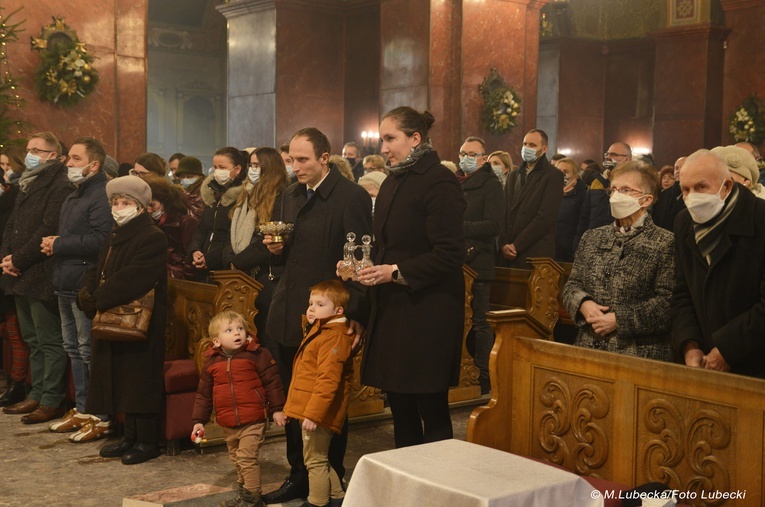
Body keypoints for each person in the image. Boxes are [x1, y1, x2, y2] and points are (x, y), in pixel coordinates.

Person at [262, 127, 371, 504]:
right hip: (293, 311)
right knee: (296, 401)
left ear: (325, 158)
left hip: (329, 316)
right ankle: (298, 474)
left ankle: (330, 477)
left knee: (325, 404)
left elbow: (359, 259)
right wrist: (276, 248)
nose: (295, 167)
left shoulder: (350, 197)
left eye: (303, 159)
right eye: (291, 159)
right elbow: (289, 250)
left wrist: (354, 311)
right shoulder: (289, 195)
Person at [354, 107, 466, 448]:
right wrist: (365, 265)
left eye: (390, 139)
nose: (383, 148)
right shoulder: (393, 180)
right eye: (382, 139)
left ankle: (438, 490)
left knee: (430, 406)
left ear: (415, 139)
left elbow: (449, 253)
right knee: (400, 406)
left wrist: (396, 271)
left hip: (428, 310)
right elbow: (391, 243)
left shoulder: (439, 180)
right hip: (394, 307)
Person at [77, 175, 168, 464]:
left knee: (139, 379)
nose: (119, 207)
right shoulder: (115, 233)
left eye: (126, 202)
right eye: (115, 202)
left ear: (141, 207)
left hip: (140, 319)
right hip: (114, 314)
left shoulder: (152, 236)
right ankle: (128, 435)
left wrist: (99, 297)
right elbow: (98, 265)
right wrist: (88, 292)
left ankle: (146, 441)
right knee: (120, 377)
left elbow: (135, 278)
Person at [562, 161, 674, 361]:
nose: (616, 195)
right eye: (613, 189)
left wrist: (619, 320)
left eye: (625, 189)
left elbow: (667, 303)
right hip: (588, 347)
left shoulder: (665, 242)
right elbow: (572, 285)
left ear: (646, 199)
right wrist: (583, 303)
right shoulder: (592, 237)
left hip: (637, 354)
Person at [43, 137, 115, 442]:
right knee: (73, 348)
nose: (68, 163)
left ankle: (100, 414)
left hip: (83, 282)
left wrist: (58, 243)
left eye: (74, 158)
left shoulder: (101, 194)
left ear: (93, 164)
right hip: (65, 279)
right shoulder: (75, 194)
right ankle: (83, 408)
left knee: (88, 350)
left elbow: (101, 239)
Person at [672, 149, 765, 378]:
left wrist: (728, 349)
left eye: (701, 187)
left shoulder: (760, 219)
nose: (691, 197)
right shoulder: (684, 222)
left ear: (726, 187)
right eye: (685, 189)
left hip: (754, 362)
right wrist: (689, 343)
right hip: (703, 361)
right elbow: (682, 290)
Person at [1, 132, 73, 424]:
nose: (30, 154)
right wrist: (6, 257)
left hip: (40, 270)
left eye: (37, 150)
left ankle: (51, 399)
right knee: (31, 337)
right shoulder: (27, 181)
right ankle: (36, 393)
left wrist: (18, 259)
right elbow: (12, 225)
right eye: (28, 149)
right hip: (19, 272)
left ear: (53, 155)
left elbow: (47, 227)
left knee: (48, 339)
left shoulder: (60, 183)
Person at [192, 310, 286, 507]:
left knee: (246, 458)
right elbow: (203, 394)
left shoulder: (257, 355)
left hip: (253, 418)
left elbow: (273, 383)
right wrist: (199, 421)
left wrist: (277, 409)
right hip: (228, 421)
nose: (237, 333)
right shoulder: (211, 363)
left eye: (240, 328)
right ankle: (244, 496)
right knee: (237, 459)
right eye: (229, 330)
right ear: (216, 341)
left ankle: (253, 500)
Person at [283, 280, 354, 507]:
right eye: (310, 303)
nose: (312, 308)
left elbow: (328, 381)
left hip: (318, 412)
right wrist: (312, 320)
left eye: (320, 304)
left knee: (314, 461)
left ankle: (317, 502)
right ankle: (336, 498)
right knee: (319, 459)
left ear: (338, 311)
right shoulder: (323, 331)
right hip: (312, 409)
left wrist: (313, 414)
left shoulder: (333, 337)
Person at [224, 146, 289, 352]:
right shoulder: (245, 195)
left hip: (265, 277)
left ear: (269, 168)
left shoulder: (280, 197)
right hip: (241, 277)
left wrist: (238, 262)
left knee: (267, 339)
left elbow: (266, 240)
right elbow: (230, 234)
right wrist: (230, 260)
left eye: (257, 165)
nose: (252, 170)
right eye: (251, 165)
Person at [456, 136, 504, 394]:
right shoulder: (456, 181)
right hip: (457, 261)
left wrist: (460, 228)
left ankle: (483, 374)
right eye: (462, 152)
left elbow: (494, 225)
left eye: (471, 154)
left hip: (479, 262)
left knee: (479, 321)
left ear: (483, 159)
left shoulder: (491, 185)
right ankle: (460, 370)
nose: (465, 157)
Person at [499, 129, 564, 268]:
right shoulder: (513, 175)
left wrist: (517, 245)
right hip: (508, 250)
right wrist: (503, 243)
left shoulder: (553, 175)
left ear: (544, 148)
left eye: (532, 145)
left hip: (535, 251)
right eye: (525, 144)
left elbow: (545, 217)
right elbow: (504, 211)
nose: (526, 148)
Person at [188, 147, 245, 282]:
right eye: (215, 167)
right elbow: (203, 227)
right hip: (203, 265)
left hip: (224, 268)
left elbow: (232, 237)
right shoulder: (212, 193)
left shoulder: (242, 197)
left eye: (223, 167)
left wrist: (209, 259)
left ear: (237, 169)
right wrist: (195, 250)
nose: (218, 171)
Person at [574, 142, 632, 251]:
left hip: (621, 244)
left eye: (614, 155)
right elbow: (584, 218)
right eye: (608, 154)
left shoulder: (635, 184)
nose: (609, 158)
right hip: (594, 242)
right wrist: (578, 246)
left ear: (627, 159)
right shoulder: (597, 182)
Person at [144, 174, 199, 280]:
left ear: (165, 202)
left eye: (152, 205)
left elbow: (191, 257)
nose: (149, 210)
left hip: (178, 280)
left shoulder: (186, 222)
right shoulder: (150, 222)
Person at [555, 157, 587, 262]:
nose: (562, 174)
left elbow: (582, 222)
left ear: (575, 175)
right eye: (559, 171)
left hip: (569, 246)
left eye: (565, 171)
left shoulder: (582, 194)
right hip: (553, 245)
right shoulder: (551, 192)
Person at [651, 156, 686, 232]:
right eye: (676, 168)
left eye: (682, 167)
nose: (678, 171)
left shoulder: (695, 193)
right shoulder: (662, 195)